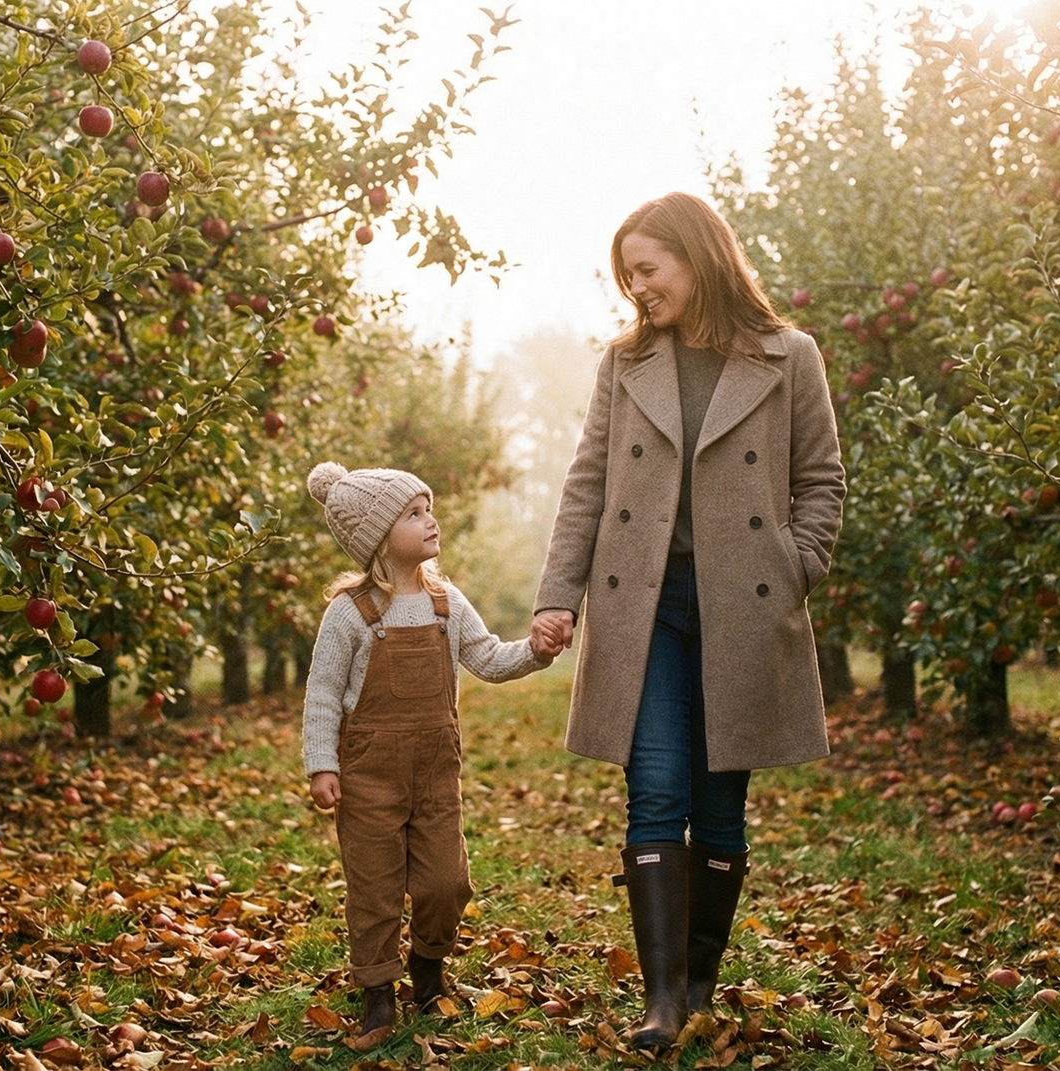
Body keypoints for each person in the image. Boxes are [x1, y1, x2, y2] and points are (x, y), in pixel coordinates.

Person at [530, 192, 846, 1048]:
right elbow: (587, 484)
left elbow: (821, 481)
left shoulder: (791, 357)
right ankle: (663, 1000)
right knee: (657, 786)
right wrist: (559, 593)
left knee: (719, 800)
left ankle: (700, 979)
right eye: (627, 274)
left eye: (647, 269)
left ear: (697, 257)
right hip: (646, 604)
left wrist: (793, 567)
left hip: (745, 604)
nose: (636, 290)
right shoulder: (625, 363)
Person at [302, 461, 559, 1042]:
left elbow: (489, 658)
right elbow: (322, 694)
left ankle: (428, 963)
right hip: (368, 774)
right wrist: (322, 763)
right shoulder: (350, 613)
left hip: (436, 773)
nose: (431, 520)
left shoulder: (447, 602)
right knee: (374, 887)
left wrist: (536, 653)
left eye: (428, 508)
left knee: (447, 882)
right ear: (378, 538)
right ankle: (377, 994)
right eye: (414, 514)